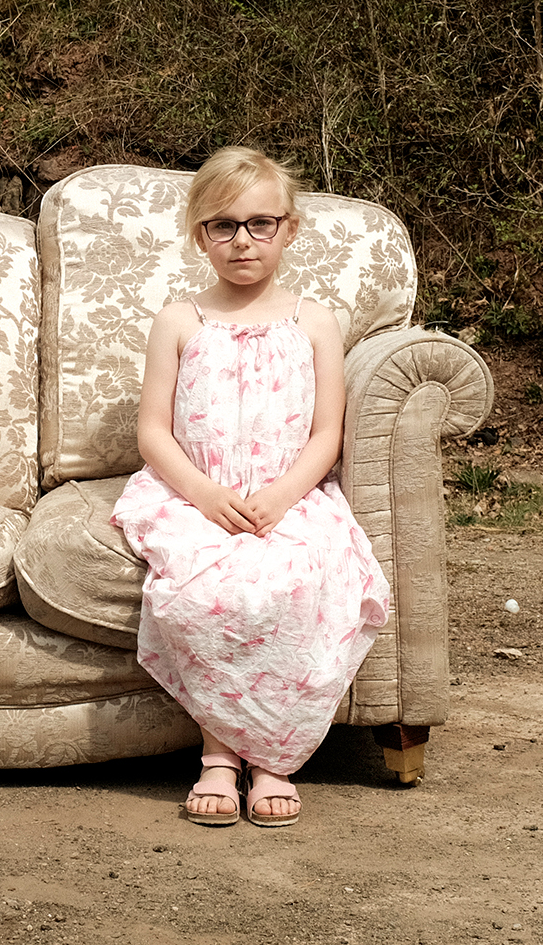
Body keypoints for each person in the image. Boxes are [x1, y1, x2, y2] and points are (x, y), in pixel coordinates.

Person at [110, 147, 390, 827]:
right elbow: (153, 432)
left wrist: (286, 494)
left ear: (289, 230)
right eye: (223, 225)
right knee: (202, 593)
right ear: (199, 234)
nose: (242, 241)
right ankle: (220, 755)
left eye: (260, 223)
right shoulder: (181, 320)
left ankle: (271, 759)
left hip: (286, 493)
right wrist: (204, 496)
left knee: (298, 581)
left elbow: (328, 432)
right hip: (195, 492)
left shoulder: (313, 320)